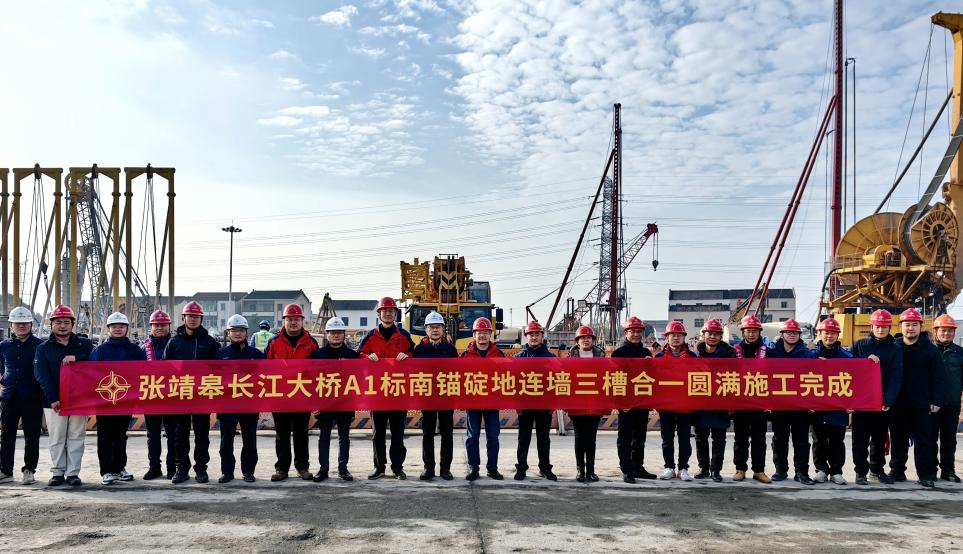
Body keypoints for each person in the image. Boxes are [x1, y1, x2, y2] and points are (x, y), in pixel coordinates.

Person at [33, 304, 93, 487]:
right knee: (57, 437)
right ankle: (58, 472)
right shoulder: (44, 348)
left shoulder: (85, 345)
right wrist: (52, 398)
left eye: (66, 322)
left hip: (79, 400)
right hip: (54, 401)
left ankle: (73, 473)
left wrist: (78, 357)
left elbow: (96, 364)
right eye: (58, 322)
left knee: (76, 436)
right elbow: (41, 374)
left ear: (73, 324)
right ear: (51, 324)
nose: (62, 326)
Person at [164, 301, 220, 484]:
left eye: (196, 317)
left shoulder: (210, 343)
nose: (193, 319)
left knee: (202, 435)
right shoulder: (174, 342)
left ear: (201, 319)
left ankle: (201, 469)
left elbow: (219, 369)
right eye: (190, 316)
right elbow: (165, 368)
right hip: (181, 395)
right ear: (183, 318)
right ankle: (181, 469)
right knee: (180, 436)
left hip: (202, 396)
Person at [359, 296, 414, 480]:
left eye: (391, 311)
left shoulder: (404, 336)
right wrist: (367, 358)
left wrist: (407, 356)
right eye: (385, 311)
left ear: (395, 314)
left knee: (398, 434)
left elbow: (415, 356)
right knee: (378, 434)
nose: (388, 314)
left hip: (398, 392)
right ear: (379, 314)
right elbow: (359, 357)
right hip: (378, 393)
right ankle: (379, 467)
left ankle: (397, 467)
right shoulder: (371, 336)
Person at [90, 312, 146, 486]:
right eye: (114, 326)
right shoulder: (99, 350)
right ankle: (106, 471)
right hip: (104, 400)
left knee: (121, 436)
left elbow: (143, 372)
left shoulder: (135, 350)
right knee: (105, 436)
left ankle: (119, 468)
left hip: (126, 400)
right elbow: (90, 374)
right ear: (108, 329)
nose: (118, 329)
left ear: (127, 329)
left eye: (121, 326)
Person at [265, 303, 319, 482]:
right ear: (284, 322)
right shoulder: (274, 343)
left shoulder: (311, 343)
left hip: (302, 396)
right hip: (280, 397)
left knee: (301, 434)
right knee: (282, 434)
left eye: (297, 319)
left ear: (303, 321)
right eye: (290, 319)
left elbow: (318, 371)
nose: (293, 323)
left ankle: (302, 467)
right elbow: (265, 369)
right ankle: (282, 468)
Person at [890, 308, 943, 488]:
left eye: (914, 325)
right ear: (900, 326)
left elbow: (939, 377)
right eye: (907, 324)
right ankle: (897, 471)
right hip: (898, 403)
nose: (910, 328)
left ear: (921, 326)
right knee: (898, 439)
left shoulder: (931, 350)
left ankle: (926, 474)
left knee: (924, 440)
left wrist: (936, 400)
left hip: (922, 404)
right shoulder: (894, 347)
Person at [851, 309, 903, 486]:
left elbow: (897, 376)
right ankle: (860, 472)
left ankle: (877, 470)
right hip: (862, 403)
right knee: (860, 439)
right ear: (871, 326)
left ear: (889, 327)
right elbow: (847, 370)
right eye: (878, 326)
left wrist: (888, 400)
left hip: (882, 403)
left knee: (879, 439)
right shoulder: (859, 345)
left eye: (884, 327)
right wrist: (864, 360)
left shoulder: (895, 349)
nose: (881, 330)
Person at [309, 317, 358, 482]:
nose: (336, 336)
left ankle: (343, 469)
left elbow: (361, 380)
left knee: (344, 437)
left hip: (345, 403)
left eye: (339, 333)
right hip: (324, 404)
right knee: (324, 437)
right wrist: (314, 404)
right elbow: (311, 382)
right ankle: (323, 470)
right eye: (332, 333)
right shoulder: (317, 356)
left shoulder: (353, 356)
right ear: (327, 334)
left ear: (344, 335)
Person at [215, 314, 263, 483]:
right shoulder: (220, 355)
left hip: (249, 404)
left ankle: (248, 471)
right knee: (225, 442)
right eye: (234, 330)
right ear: (228, 333)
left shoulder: (256, 355)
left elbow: (264, 378)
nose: (237, 333)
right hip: (227, 406)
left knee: (250, 442)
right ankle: (227, 472)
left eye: (241, 330)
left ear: (246, 332)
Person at [768, 319, 816, 485]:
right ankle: (780, 470)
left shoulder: (807, 354)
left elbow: (817, 375)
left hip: (800, 405)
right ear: (781, 334)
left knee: (801, 441)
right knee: (779, 439)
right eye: (788, 332)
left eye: (795, 333)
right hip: (779, 404)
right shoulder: (772, 352)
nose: (791, 335)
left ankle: (802, 472)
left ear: (799, 335)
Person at [0, 307, 43, 484]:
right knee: (6, 435)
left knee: (31, 436)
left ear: (31, 324)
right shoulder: (3, 346)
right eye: (18, 323)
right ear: (11, 325)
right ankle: (5, 470)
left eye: (25, 323)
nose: (21, 326)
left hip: (32, 397)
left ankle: (29, 470)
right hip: (9, 397)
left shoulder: (40, 345)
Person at [412, 311, 457, 481]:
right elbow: (413, 373)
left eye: (438, 327)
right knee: (428, 433)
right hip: (427, 397)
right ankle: (428, 467)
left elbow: (457, 373)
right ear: (426, 330)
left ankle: (445, 468)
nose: (435, 330)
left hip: (446, 397)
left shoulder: (450, 349)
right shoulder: (420, 350)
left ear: (443, 329)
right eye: (432, 327)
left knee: (447, 434)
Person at [612, 316, 656, 483]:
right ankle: (627, 469)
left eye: (639, 331)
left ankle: (638, 466)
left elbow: (651, 378)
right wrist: (619, 402)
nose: (636, 334)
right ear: (626, 333)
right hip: (626, 403)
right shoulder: (618, 353)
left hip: (642, 401)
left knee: (640, 436)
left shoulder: (646, 353)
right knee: (625, 437)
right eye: (633, 331)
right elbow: (614, 379)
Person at [513, 320, 557, 481]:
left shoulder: (551, 357)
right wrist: (516, 404)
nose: (534, 337)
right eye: (531, 334)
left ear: (542, 336)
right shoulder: (518, 358)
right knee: (523, 438)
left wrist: (553, 403)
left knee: (543, 438)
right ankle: (521, 468)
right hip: (525, 406)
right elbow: (515, 383)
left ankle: (545, 468)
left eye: (537, 334)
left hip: (544, 406)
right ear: (526, 337)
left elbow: (555, 381)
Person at [460, 317, 504, 481]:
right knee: (473, 437)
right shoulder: (466, 355)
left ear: (490, 334)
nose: (482, 336)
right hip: (473, 403)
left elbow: (505, 377)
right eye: (479, 333)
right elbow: (459, 378)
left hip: (492, 403)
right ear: (474, 335)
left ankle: (492, 468)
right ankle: (473, 468)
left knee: (493, 436)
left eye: (486, 332)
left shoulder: (498, 354)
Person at [654, 321, 697, 481]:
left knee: (685, 438)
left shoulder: (692, 358)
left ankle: (683, 468)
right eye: (672, 335)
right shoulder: (659, 358)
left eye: (679, 335)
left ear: (684, 337)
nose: (676, 338)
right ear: (667, 338)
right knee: (667, 438)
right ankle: (669, 467)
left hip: (685, 406)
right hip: (666, 406)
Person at [731, 314, 771, 483]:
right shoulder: (733, 352)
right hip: (740, 403)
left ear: (759, 332)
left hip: (760, 403)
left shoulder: (768, 352)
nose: (751, 334)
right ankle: (740, 469)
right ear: (743, 332)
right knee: (740, 439)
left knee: (759, 440)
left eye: (754, 331)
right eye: (748, 331)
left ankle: (759, 470)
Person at [810, 317, 850, 485]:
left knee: (837, 442)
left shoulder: (847, 357)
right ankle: (821, 470)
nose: (829, 336)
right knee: (818, 441)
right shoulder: (810, 356)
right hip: (818, 407)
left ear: (838, 335)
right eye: (826, 333)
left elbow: (855, 380)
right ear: (820, 333)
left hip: (838, 407)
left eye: (833, 333)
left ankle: (836, 471)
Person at [693, 319, 733, 483]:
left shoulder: (730, 355)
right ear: (703, 334)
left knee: (719, 438)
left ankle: (716, 470)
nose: (712, 337)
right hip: (701, 402)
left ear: (720, 336)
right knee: (700, 438)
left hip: (721, 401)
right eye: (709, 333)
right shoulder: (695, 354)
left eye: (716, 334)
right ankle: (703, 468)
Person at [566, 325, 608, 483]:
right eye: (582, 338)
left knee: (591, 438)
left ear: (593, 340)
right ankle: (580, 470)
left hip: (595, 403)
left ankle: (591, 470)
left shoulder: (601, 357)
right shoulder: (570, 358)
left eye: (588, 337)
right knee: (579, 437)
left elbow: (606, 380)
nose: (585, 340)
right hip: (577, 404)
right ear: (577, 340)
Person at [141, 308, 175, 480]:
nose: (160, 328)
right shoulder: (144, 348)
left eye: (163, 325)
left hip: (172, 397)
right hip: (151, 397)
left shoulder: (176, 345)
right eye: (156, 325)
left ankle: (172, 468)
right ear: (151, 327)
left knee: (172, 434)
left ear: (169, 326)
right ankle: (154, 467)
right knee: (152, 435)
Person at [931, 314, 963, 483]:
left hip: (952, 403)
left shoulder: (960, 353)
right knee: (928, 438)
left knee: (949, 439)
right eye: (943, 330)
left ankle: (948, 470)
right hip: (931, 404)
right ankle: (930, 470)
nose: (947, 334)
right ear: (935, 331)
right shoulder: (928, 351)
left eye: (950, 331)